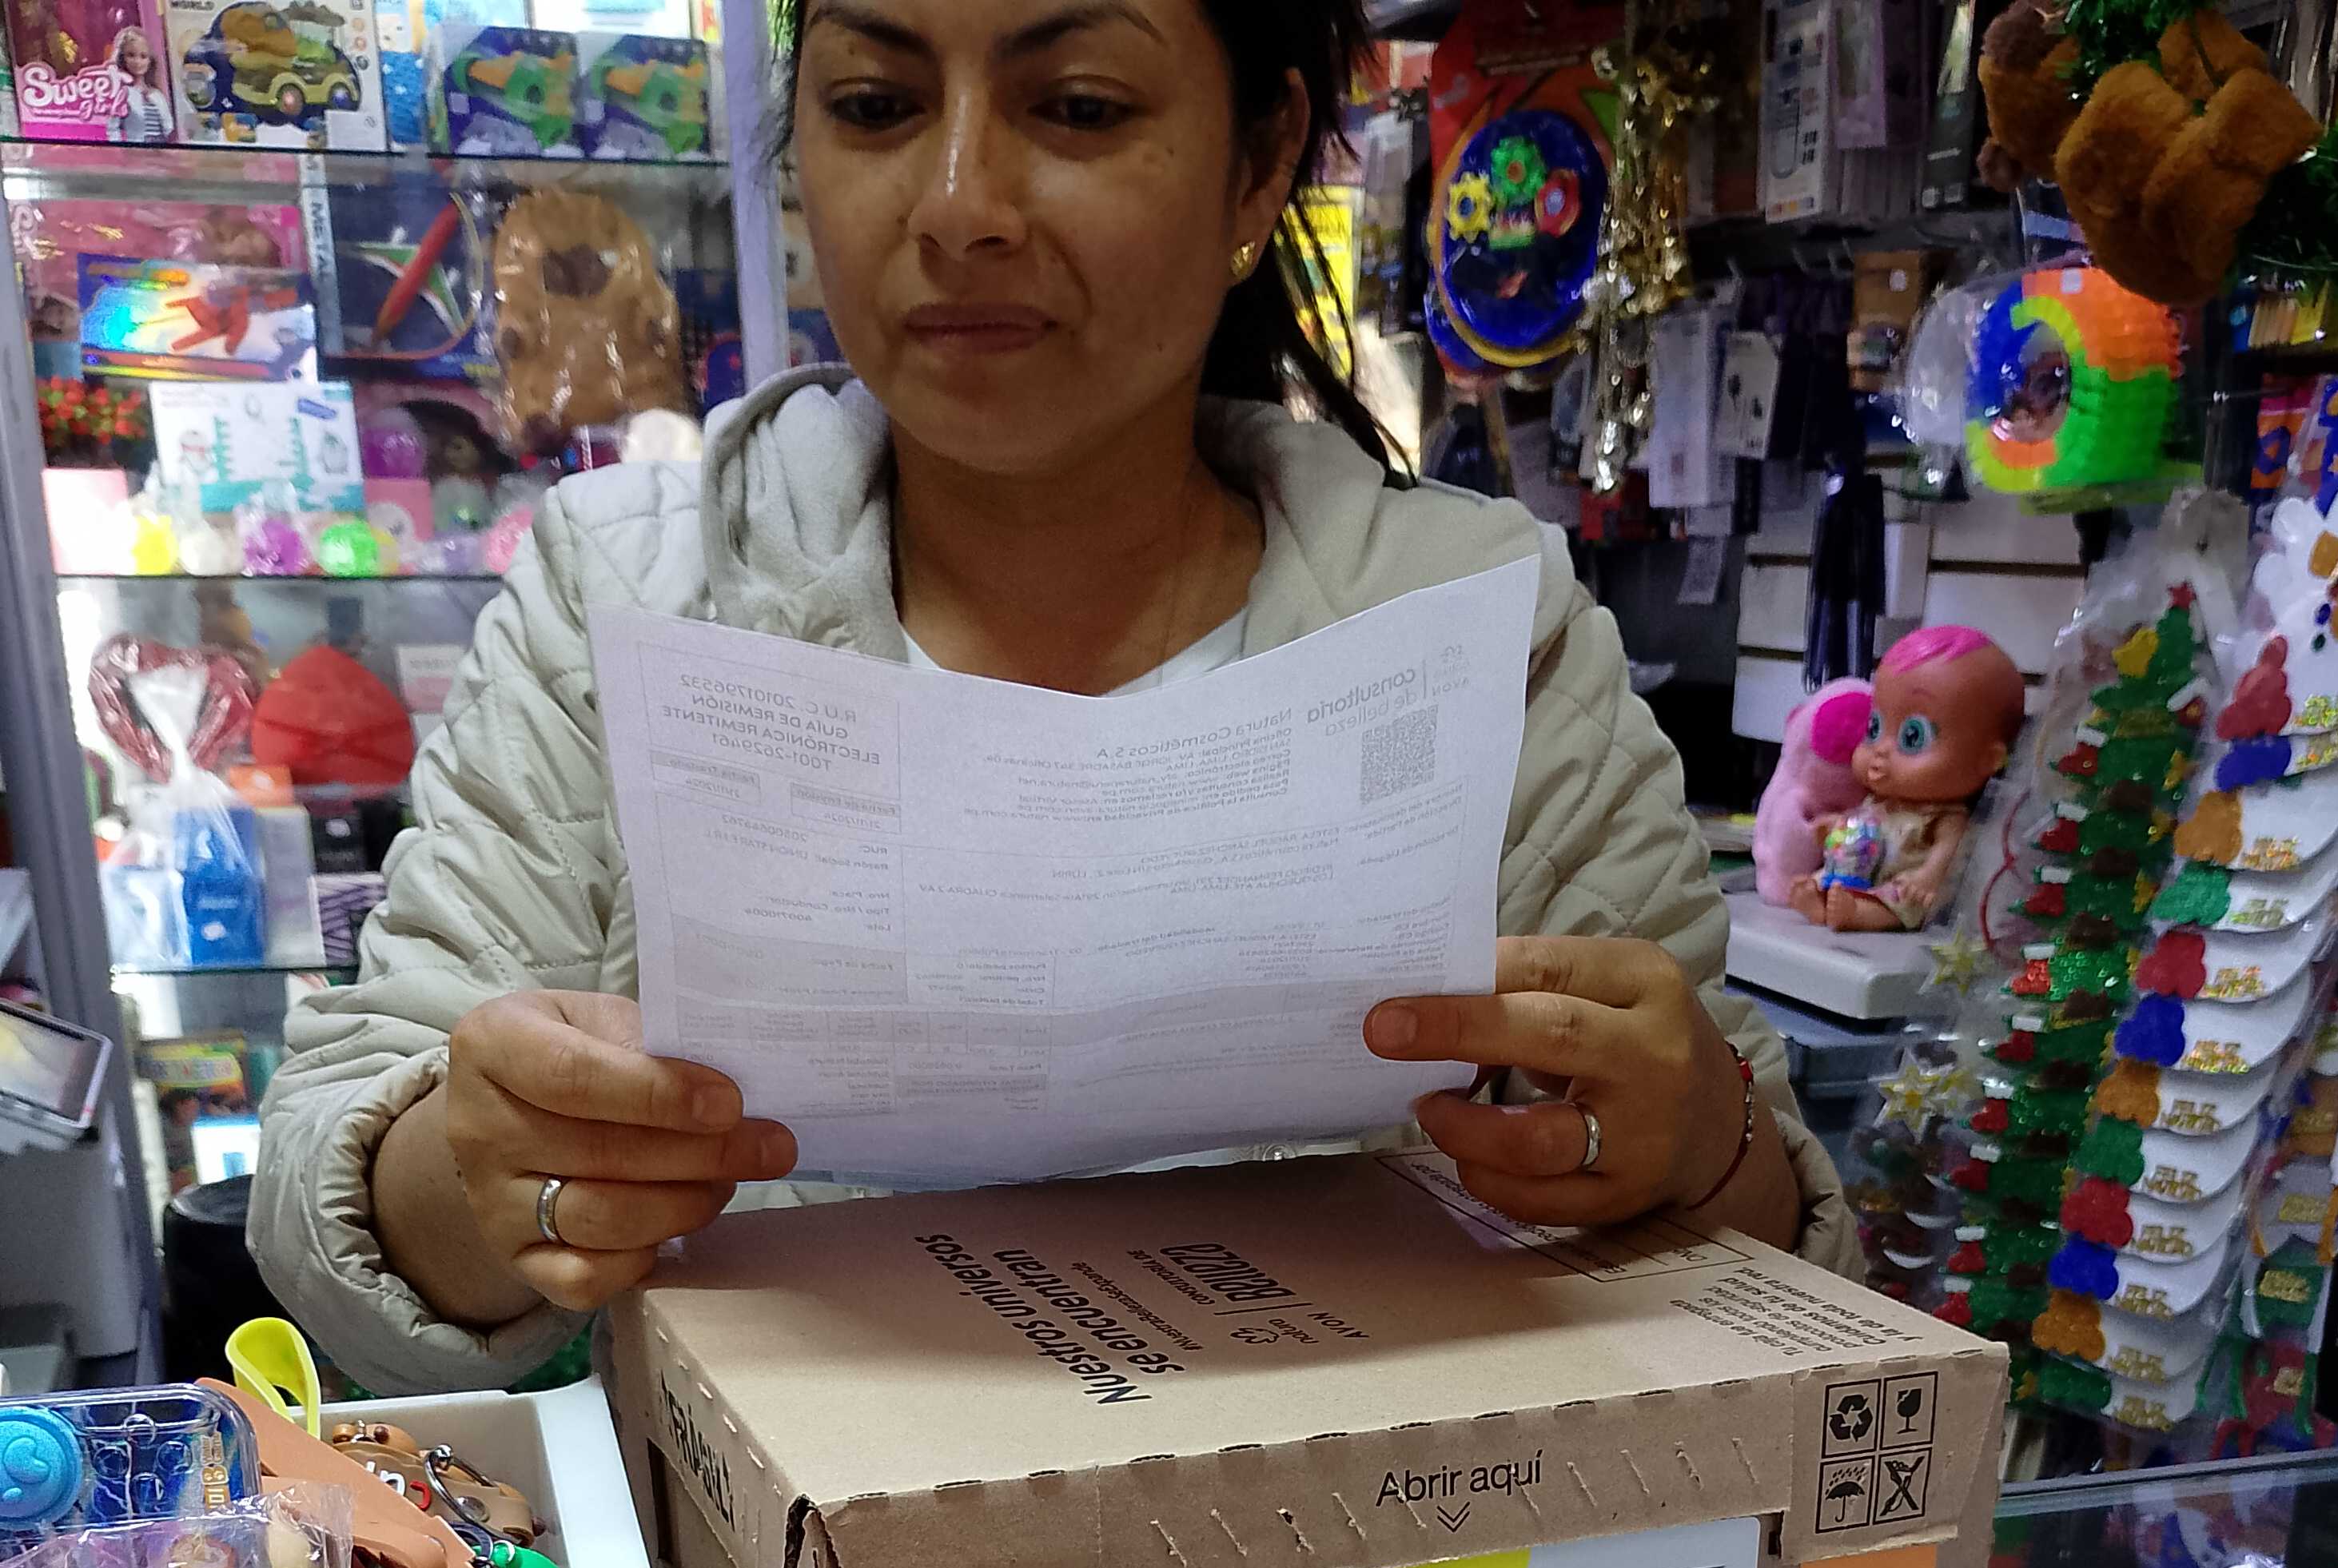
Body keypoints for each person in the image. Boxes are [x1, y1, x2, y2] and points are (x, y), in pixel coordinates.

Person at [253, 0, 1852, 1398]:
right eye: (876, 103)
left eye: (1077, 106)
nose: (959, 204)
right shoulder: (631, 594)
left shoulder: (1472, 631)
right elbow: (335, 1227)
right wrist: (483, 1167)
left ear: (1258, 162)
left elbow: (1788, 1267)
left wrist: (1693, 1140)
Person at [106, 25, 175, 141]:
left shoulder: (157, 95)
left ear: (150, 61)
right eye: (131, 55)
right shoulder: (122, 94)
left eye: (143, 56)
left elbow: (169, 128)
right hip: (135, 148)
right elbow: (113, 128)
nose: (137, 61)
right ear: (122, 58)